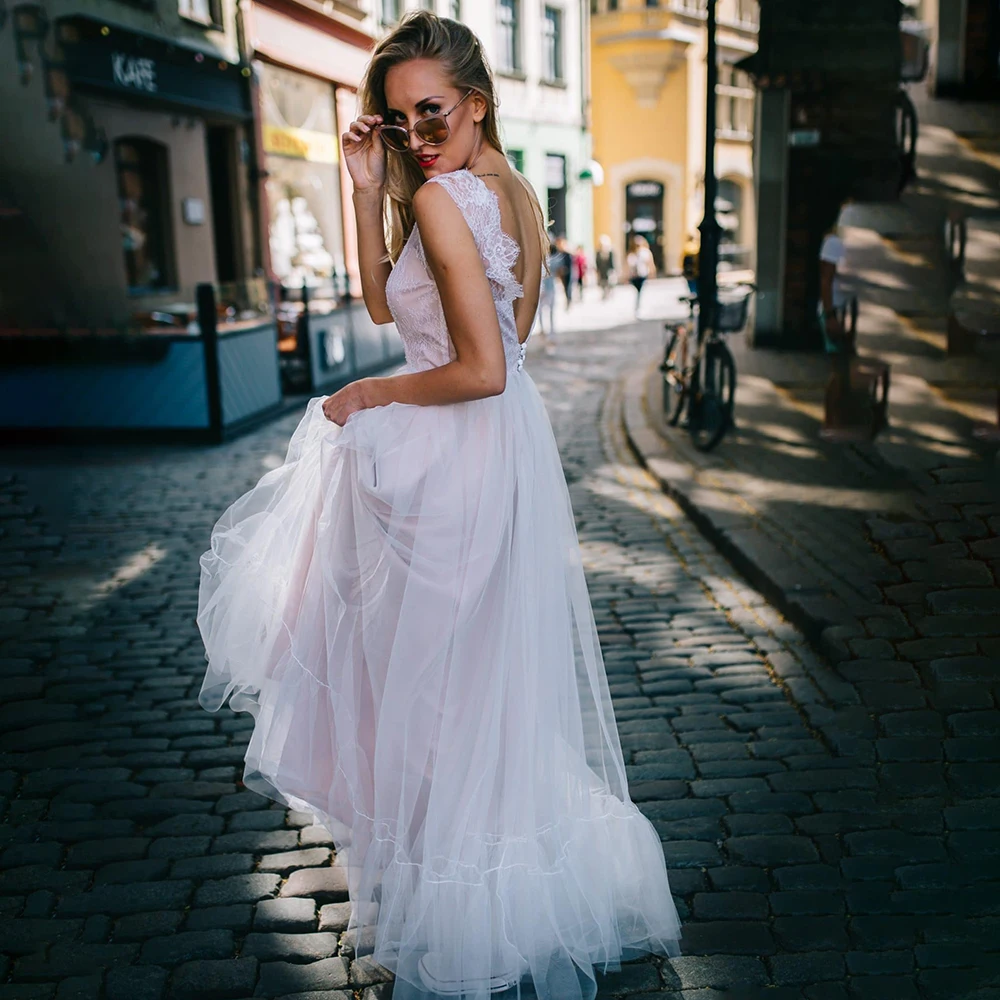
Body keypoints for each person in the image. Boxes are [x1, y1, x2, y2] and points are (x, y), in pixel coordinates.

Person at [196, 12, 680, 1000]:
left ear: (476, 100)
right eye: (398, 121)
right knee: (471, 693)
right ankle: (502, 892)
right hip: (486, 462)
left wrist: (368, 396)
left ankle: (468, 916)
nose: (417, 136)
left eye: (433, 112)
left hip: (449, 465)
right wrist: (370, 188)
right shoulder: (509, 193)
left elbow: (482, 367)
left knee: (429, 696)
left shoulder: (454, 202)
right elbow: (396, 312)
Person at [536, 240, 559, 351]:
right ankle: (549, 333)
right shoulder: (554, 260)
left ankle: (545, 331)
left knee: (542, 312)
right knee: (549, 313)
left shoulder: (541, 260)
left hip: (545, 289)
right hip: (548, 289)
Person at [626, 234, 655, 317]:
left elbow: (650, 264)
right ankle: (637, 307)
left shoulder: (645, 252)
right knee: (636, 293)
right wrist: (626, 276)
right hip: (634, 276)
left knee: (641, 292)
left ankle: (640, 307)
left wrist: (652, 274)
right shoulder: (631, 254)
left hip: (643, 275)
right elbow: (628, 266)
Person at [554, 234, 574, 307]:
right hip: (560, 274)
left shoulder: (567, 254)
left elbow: (569, 265)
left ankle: (569, 300)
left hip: (567, 274)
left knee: (568, 288)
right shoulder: (557, 254)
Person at [595, 233, 615, 299]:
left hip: (609, 270)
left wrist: (613, 271)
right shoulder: (598, 253)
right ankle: (604, 293)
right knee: (602, 283)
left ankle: (609, 293)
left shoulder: (610, 252)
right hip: (601, 271)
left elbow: (612, 262)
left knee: (609, 283)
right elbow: (597, 262)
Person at [682, 232, 700, 298]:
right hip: (695, 267)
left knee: (690, 281)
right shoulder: (696, 246)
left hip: (688, 267)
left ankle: (692, 292)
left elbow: (683, 258)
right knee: (695, 281)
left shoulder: (686, 246)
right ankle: (695, 292)